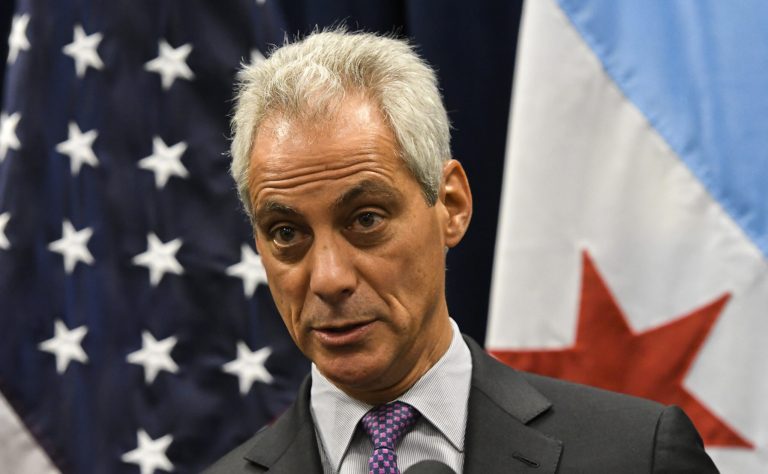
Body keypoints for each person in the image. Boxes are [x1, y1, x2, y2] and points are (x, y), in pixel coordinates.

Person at [206, 29, 718, 474]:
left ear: (451, 205)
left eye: (366, 220)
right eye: (287, 234)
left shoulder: (637, 457)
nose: (329, 278)